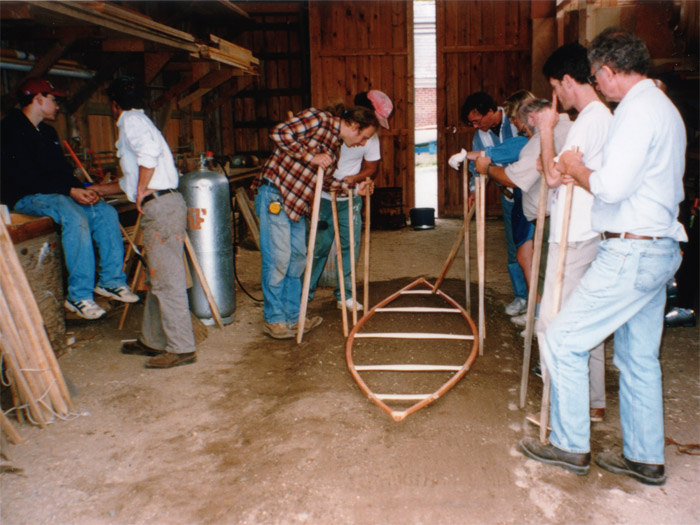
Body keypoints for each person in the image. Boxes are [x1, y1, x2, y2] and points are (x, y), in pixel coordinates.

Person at [519, 28, 686, 486]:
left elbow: (610, 186)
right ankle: (644, 456)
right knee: (637, 358)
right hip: (656, 245)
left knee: (564, 339)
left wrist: (576, 169)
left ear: (609, 72)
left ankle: (571, 445)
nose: (598, 85)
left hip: (632, 248)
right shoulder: (662, 108)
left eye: (598, 76)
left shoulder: (635, 112)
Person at [0, 77, 138, 320]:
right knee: (73, 215)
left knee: (105, 212)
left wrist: (84, 190)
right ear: (38, 98)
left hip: (56, 194)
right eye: (54, 99)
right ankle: (79, 296)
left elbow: (61, 172)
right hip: (24, 197)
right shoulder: (9, 129)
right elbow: (22, 177)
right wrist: (70, 191)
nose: (57, 105)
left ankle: (111, 281)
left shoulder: (48, 132)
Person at [533, 42, 613, 422]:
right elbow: (560, 171)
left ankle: (563, 407)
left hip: (574, 236)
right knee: (584, 320)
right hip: (588, 232)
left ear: (567, 80)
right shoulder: (602, 117)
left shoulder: (589, 119)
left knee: (550, 322)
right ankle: (593, 401)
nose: (555, 97)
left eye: (555, 87)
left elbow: (552, 177)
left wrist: (547, 130)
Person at [93, 76, 196, 369]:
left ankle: (182, 348)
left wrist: (141, 190)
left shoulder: (130, 122)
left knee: (168, 281)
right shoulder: (140, 120)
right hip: (163, 204)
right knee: (157, 279)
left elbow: (148, 155)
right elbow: (132, 178)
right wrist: (101, 189)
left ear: (114, 105)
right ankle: (152, 340)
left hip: (160, 207)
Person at [251, 103, 378, 339]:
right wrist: (311, 156)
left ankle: (294, 317)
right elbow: (280, 133)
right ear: (353, 125)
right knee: (279, 259)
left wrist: (354, 188)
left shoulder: (335, 147)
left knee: (298, 260)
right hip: (275, 195)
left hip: (298, 205)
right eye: (364, 137)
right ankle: (274, 319)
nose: (363, 143)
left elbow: (327, 181)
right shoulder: (320, 119)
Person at [474, 99, 572, 323]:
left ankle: (544, 322)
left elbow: (514, 178)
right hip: (551, 212)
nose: (519, 128)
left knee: (545, 271)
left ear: (532, 118)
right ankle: (538, 315)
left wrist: (488, 168)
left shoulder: (539, 139)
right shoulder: (570, 128)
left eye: (519, 122)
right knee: (531, 260)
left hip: (550, 214)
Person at [308, 90, 393, 311]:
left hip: (350, 196)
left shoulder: (370, 136)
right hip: (324, 196)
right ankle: (304, 296)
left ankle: (344, 295)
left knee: (350, 246)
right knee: (319, 247)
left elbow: (371, 166)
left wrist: (355, 179)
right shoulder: (335, 131)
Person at [452, 91, 528, 317]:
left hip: (529, 193)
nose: (476, 126)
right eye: (471, 123)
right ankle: (521, 296)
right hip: (509, 196)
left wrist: (470, 155)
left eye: (478, 120)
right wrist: (475, 189)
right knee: (514, 247)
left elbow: (517, 149)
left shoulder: (516, 121)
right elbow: (479, 166)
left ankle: (536, 301)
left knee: (530, 249)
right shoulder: (481, 135)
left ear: (491, 112)